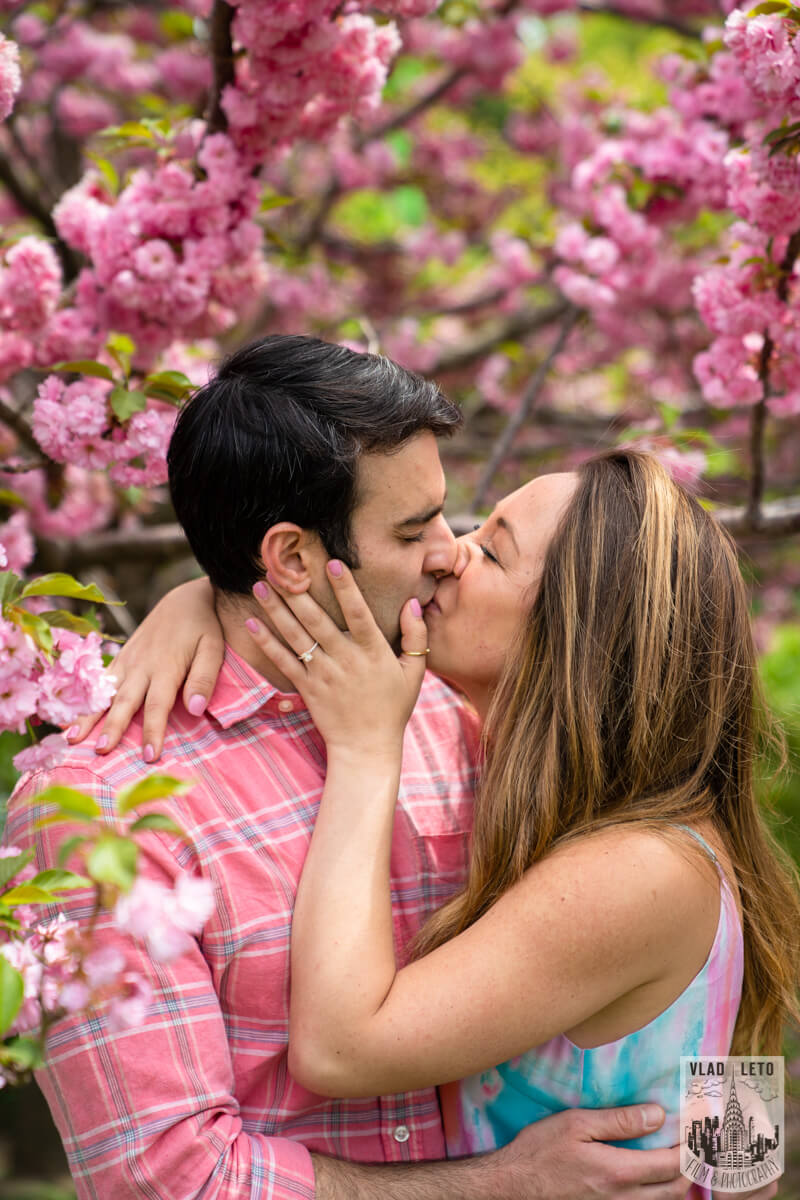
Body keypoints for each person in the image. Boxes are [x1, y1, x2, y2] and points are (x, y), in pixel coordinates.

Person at [6, 337, 693, 1200]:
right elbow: (174, 1181)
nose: (448, 551)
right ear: (292, 559)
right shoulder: (104, 806)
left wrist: (734, 1164)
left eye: (447, 516)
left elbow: (703, 1004)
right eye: (412, 530)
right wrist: (502, 1185)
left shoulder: (457, 710)